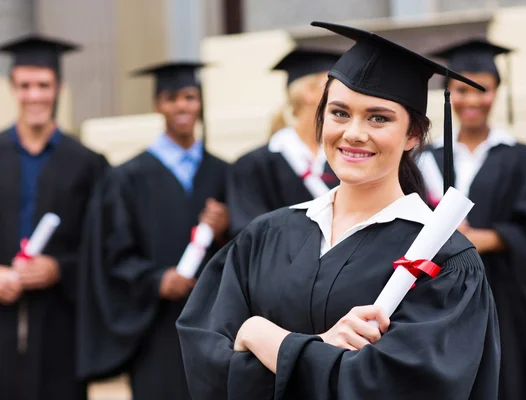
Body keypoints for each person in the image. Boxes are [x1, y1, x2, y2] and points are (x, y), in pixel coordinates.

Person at [177, 22, 500, 400]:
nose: (354, 133)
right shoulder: (265, 236)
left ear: (413, 135)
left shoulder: (445, 261)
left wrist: (264, 336)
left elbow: (399, 386)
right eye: (340, 113)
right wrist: (322, 353)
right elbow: (206, 362)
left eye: (378, 118)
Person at [77, 61, 230, 400]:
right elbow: (112, 253)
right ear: (157, 105)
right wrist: (156, 280)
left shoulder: (223, 172)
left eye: (189, 97)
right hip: (154, 328)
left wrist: (224, 229)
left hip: (213, 324)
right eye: (171, 98)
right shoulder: (126, 178)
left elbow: (244, 249)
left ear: (200, 102)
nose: (181, 106)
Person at [421, 39, 526, 400]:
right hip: (440, 296)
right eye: (462, 89)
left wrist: (474, 239)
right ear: (448, 93)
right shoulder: (424, 159)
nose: (472, 100)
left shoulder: (523, 157)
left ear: (497, 92)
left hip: (505, 297)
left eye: (483, 90)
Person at [0, 34, 108, 400]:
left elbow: (103, 248)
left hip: (61, 322)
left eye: (43, 85)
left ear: (59, 87)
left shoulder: (88, 164)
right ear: (12, 87)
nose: (35, 96)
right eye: (25, 86)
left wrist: (60, 269)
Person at [227, 48, 341, 236]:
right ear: (308, 92)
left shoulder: (342, 157)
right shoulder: (255, 164)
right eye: (332, 85)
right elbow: (248, 232)